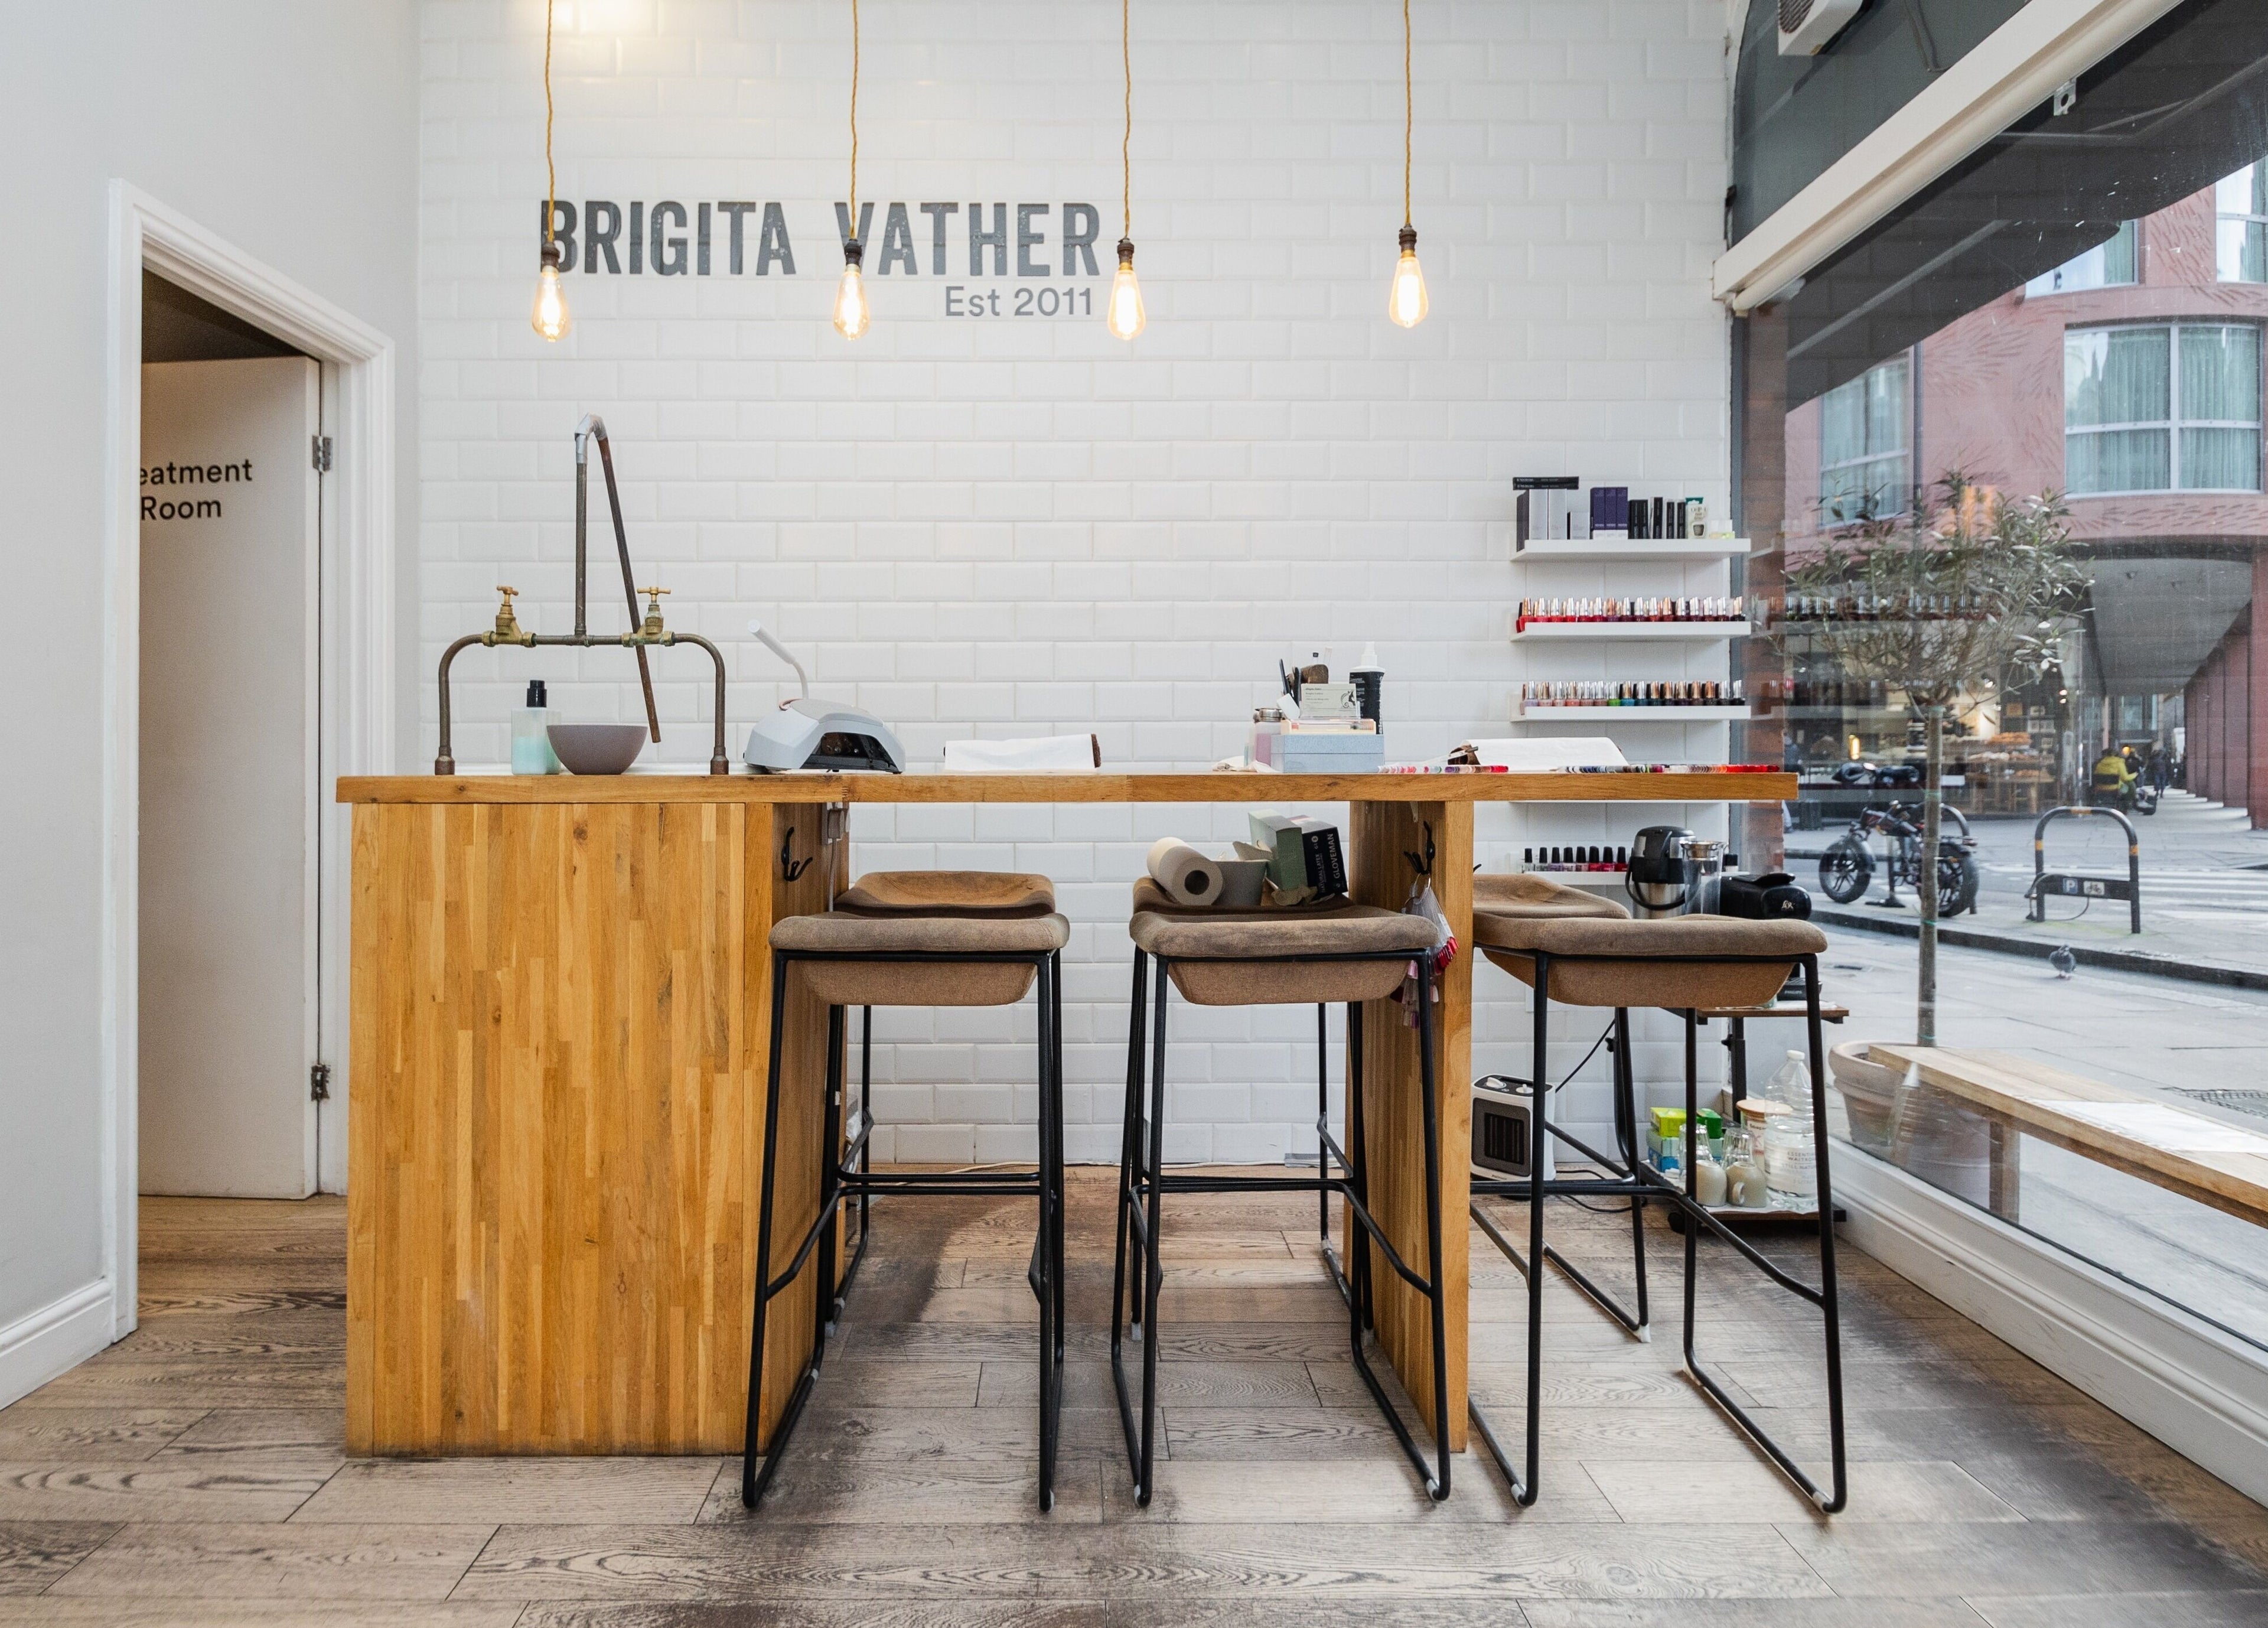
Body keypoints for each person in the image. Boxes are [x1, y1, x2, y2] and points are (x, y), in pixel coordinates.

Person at [2093, 745, 2135, 809]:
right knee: (2130, 785)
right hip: (2115, 789)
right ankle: (2128, 804)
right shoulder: (2119, 763)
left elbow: (2096, 774)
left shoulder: (2100, 764)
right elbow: (2125, 778)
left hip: (2100, 788)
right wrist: (2134, 775)